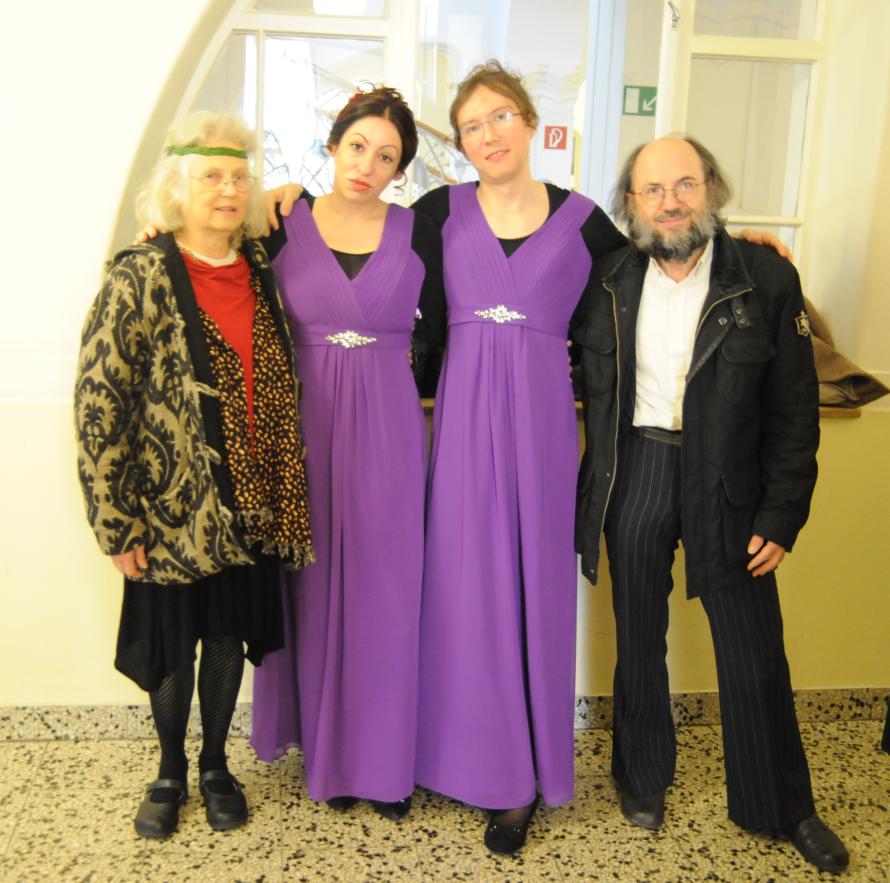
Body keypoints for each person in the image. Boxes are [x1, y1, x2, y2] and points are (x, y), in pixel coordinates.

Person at [572, 134, 849, 873]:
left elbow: (794, 411)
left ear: (711, 190)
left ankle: (782, 805)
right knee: (639, 638)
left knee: (752, 650)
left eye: (684, 185)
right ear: (631, 203)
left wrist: (781, 514)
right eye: (653, 189)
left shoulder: (765, 277)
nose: (670, 202)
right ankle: (641, 777)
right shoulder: (606, 279)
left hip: (728, 480)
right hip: (636, 467)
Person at [74, 111, 314, 840]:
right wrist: (116, 521)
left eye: (240, 176)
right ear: (178, 187)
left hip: (253, 497)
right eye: (211, 175)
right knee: (174, 643)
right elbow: (99, 401)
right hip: (168, 504)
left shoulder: (263, 266)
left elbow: (334, 211)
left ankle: (215, 765)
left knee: (227, 635)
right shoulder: (141, 273)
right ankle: (170, 770)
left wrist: (296, 189)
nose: (229, 189)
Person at [250, 87, 444, 821]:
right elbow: (203, 251)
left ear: (400, 170)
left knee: (387, 592)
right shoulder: (279, 222)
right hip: (304, 428)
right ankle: (328, 757)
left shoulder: (422, 232)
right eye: (357, 146)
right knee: (312, 590)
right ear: (332, 146)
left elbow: (455, 319)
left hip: (390, 431)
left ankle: (385, 763)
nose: (367, 164)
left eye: (386, 156)